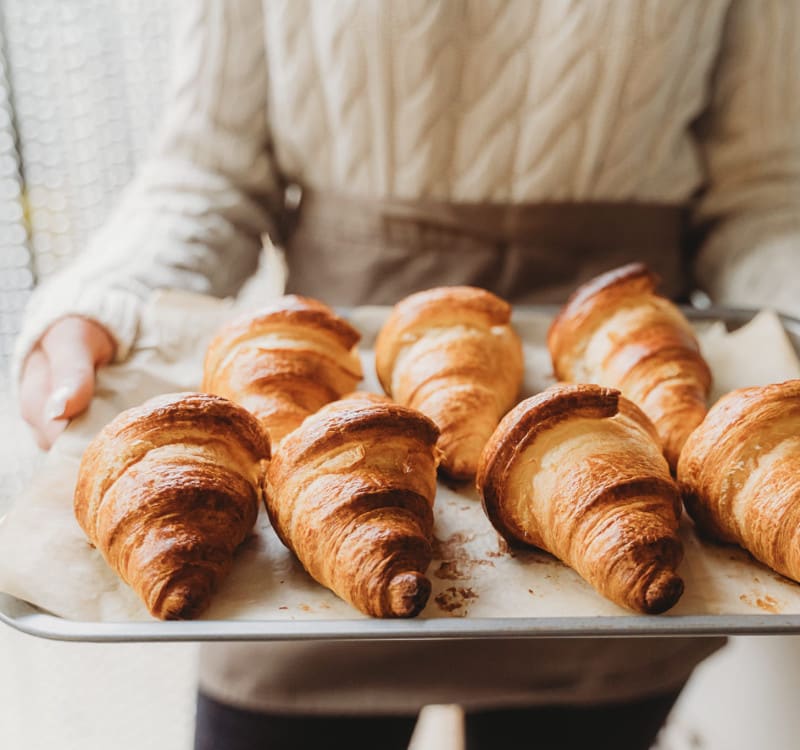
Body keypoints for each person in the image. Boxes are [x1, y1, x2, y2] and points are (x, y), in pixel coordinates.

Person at [14, 1, 800, 748]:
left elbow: (764, 195)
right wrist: (104, 299)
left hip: (626, 450)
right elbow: (206, 173)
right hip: (328, 446)